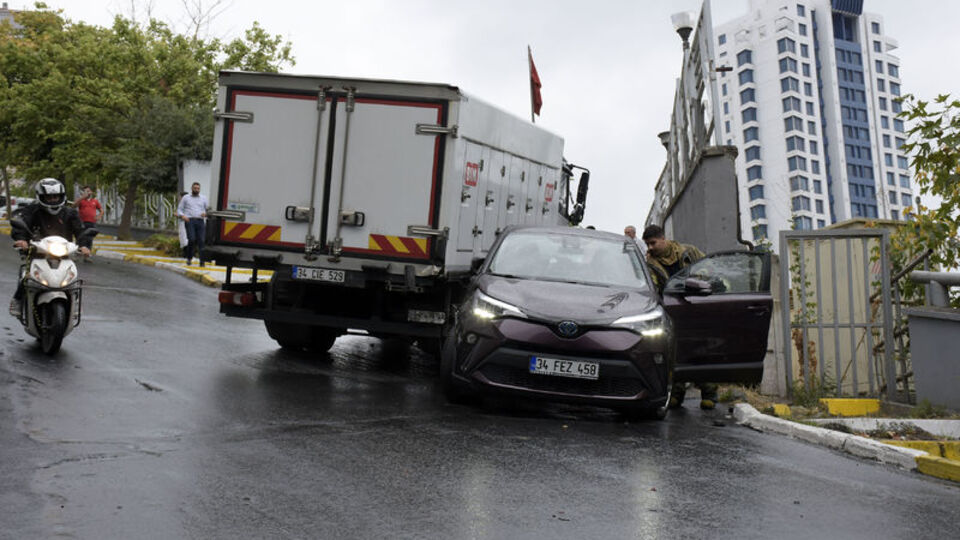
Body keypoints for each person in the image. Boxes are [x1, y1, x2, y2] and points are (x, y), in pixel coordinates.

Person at [641, 224, 718, 410]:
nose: (650, 248)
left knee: (701, 349)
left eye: (652, 243)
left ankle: (709, 394)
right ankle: (676, 393)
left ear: (663, 239)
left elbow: (711, 270)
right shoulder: (649, 263)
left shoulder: (689, 252)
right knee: (675, 353)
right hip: (671, 310)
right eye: (647, 244)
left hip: (696, 308)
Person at [9, 178, 93, 318]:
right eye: (49, 196)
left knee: (72, 277)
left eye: (56, 196)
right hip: (37, 252)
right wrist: (21, 240)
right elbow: (21, 224)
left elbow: (81, 230)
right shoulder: (33, 210)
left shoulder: (70, 213)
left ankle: (75, 302)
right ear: (41, 196)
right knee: (27, 275)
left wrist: (84, 245)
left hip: (64, 253)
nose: (53, 200)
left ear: (62, 196)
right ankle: (17, 300)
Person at [177, 182, 208, 267]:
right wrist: (183, 216)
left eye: (198, 188)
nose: (196, 190)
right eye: (195, 188)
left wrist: (205, 214)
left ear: (199, 189)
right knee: (192, 239)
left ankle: (202, 262)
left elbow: (207, 209)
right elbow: (179, 209)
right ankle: (189, 258)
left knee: (201, 241)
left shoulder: (203, 198)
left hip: (200, 221)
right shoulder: (186, 198)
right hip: (190, 221)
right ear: (191, 188)